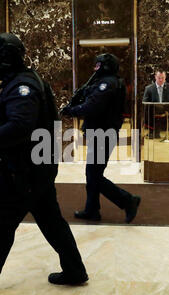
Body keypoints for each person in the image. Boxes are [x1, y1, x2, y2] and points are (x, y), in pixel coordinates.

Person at [0, 33, 88, 295]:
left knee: (2, 224)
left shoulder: (21, 87)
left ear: (4, 60)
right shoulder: (20, 81)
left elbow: (20, 126)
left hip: (22, 171)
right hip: (35, 169)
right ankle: (75, 270)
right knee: (51, 222)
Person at [60, 53, 141, 223]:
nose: (94, 69)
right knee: (92, 173)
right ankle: (92, 210)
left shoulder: (107, 83)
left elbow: (93, 107)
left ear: (105, 66)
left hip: (102, 133)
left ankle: (127, 200)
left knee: (94, 175)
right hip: (100, 132)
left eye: (98, 65)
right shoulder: (105, 82)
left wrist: (71, 110)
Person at [142, 70, 169, 138]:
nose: (161, 80)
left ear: (165, 77)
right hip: (153, 112)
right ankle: (153, 132)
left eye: (163, 78)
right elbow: (145, 102)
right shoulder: (148, 88)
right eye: (159, 78)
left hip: (168, 111)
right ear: (155, 77)